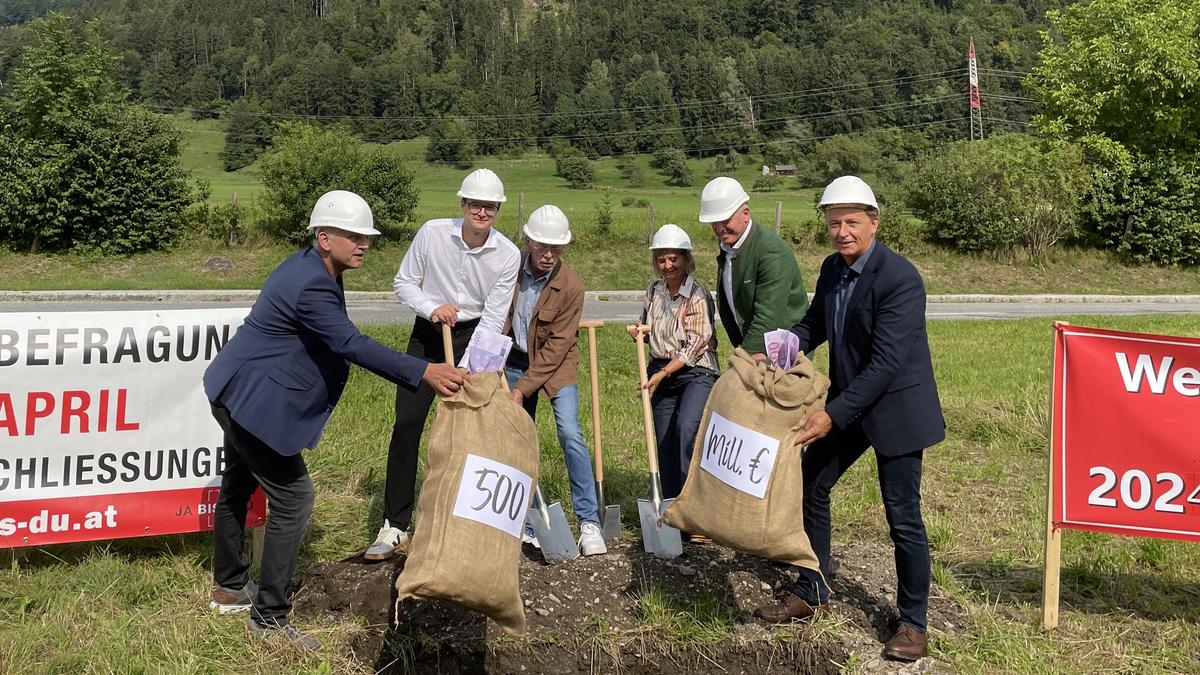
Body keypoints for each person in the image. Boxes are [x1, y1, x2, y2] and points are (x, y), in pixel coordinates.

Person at [203, 191, 465, 650]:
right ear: (324, 238)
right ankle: (269, 618)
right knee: (294, 499)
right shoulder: (313, 284)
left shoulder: (313, 266)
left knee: (238, 483)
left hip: (235, 388)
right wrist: (423, 369)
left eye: (367, 236)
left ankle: (229, 586)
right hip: (252, 400)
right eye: (353, 236)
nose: (363, 244)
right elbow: (351, 343)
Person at [751, 176, 945, 663]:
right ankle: (813, 588)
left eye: (852, 222)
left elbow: (885, 364)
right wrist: (785, 345)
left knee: (902, 516)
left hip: (896, 409)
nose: (842, 232)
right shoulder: (832, 270)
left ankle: (913, 621)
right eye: (834, 223)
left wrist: (831, 416)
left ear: (873, 223)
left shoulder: (900, 278)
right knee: (811, 481)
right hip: (853, 403)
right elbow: (816, 321)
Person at [367, 168, 521, 561]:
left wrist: (466, 368)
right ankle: (395, 523)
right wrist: (431, 308)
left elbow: (493, 315)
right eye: (475, 204)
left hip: (474, 338)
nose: (481, 212)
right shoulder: (432, 233)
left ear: (498, 209)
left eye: (489, 206)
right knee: (407, 423)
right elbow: (404, 282)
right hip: (428, 332)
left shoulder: (507, 254)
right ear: (463, 204)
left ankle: (458, 523)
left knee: (465, 430)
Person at [501, 205, 606, 556]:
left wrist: (522, 388)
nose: (548, 254)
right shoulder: (508, 266)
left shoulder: (571, 285)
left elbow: (558, 346)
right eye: (542, 245)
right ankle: (526, 521)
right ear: (528, 239)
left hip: (556, 365)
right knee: (518, 439)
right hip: (512, 361)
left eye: (556, 248)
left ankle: (589, 522)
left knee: (570, 432)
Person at [627, 224, 720, 530]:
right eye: (662, 260)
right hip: (661, 370)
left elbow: (697, 342)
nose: (667, 266)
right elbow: (649, 326)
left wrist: (665, 372)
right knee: (665, 440)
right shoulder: (653, 291)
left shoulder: (697, 293)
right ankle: (671, 512)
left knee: (686, 431)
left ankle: (697, 513)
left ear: (685, 259)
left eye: (673, 260)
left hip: (696, 372)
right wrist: (638, 331)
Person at [698, 176, 808, 356]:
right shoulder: (729, 247)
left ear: (746, 213)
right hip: (754, 347)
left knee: (731, 384)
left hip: (784, 353)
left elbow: (767, 317)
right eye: (714, 223)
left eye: (725, 220)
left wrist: (743, 358)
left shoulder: (771, 251)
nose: (719, 229)